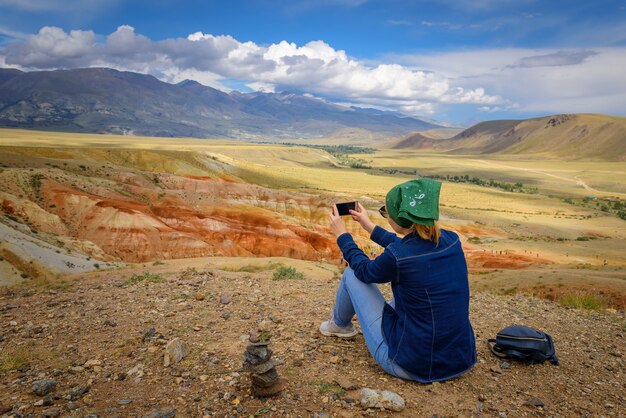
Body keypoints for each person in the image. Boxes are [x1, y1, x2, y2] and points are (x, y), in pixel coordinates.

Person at [320, 178, 476, 383]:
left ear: (399, 220)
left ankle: (340, 326)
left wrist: (342, 236)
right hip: (459, 360)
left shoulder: (398, 257)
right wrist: (369, 226)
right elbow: (408, 246)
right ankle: (342, 325)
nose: (386, 217)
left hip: (409, 365)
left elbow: (365, 271)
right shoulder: (451, 240)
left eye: (386, 213)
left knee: (351, 274)